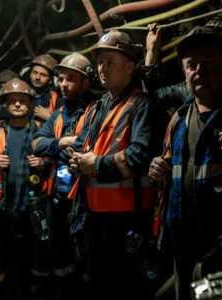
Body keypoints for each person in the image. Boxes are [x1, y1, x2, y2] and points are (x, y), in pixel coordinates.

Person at [148, 26, 222, 299]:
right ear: (185, 73)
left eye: (209, 61)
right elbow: (169, 166)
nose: (199, 69)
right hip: (183, 240)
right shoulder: (177, 120)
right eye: (192, 65)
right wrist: (158, 169)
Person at [66, 30, 162, 300]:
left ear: (130, 66)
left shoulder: (142, 105)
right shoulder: (100, 106)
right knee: (101, 284)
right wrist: (75, 160)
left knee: (127, 286)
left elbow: (140, 156)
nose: (102, 69)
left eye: (110, 62)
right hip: (96, 214)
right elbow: (81, 144)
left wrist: (95, 165)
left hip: (128, 216)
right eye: (100, 62)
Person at [0, 78, 49, 299]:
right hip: (1, 205)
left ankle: (38, 292)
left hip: (34, 205)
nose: (17, 104)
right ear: (4, 105)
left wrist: (43, 163)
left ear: (30, 104)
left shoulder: (42, 131)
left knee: (38, 254)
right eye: (12, 101)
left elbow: (55, 160)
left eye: (22, 100)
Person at [31, 51, 95, 298]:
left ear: (85, 82)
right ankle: (65, 291)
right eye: (61, 78)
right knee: (59, 248)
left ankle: (88, 291)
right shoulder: (58, 115)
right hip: (57, 195)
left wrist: (62, 144)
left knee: (88, 248)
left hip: (85, 193)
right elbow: (36, 144)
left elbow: (85, 146)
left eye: (70, 79)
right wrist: (61, 142)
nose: (63, 84)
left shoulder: (95, 110)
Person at [143, 16, 222, 116]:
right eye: (193, 64)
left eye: (208, 59)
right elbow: (153, 97)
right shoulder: (194, 87)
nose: (200, 68)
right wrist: (151, 51)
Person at [29, 54, 64, 124]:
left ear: (50, 80)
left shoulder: (56, 99)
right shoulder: (22, 94)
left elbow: (65, 126)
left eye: (42, 75)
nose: (37, 77)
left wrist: (49, 117)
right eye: (35, 72)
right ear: (30, 74)